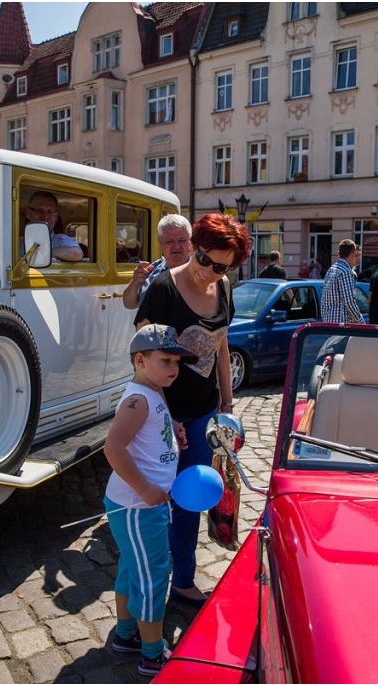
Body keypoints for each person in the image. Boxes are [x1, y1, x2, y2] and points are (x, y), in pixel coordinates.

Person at [134, 213, 251, 607]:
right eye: (205, 260)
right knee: (155, 503)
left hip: (202, 412)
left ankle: (182, 580)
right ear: (194, 247)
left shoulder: (225, 287)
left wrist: (227, 403)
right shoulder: (163, 290)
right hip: (160, 415)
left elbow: (220, 342)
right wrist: (166, 418)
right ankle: (146, 585)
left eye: (222, 267)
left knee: (189, 500)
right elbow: (142, 359)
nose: (209, 272)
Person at [105, 324, 197, 676]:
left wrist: (170, 425)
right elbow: (112, 447)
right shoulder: (137, 399)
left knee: (132, 569)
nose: (174, 367)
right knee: (153, 576)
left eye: (177, 361)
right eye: (166, 360)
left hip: (144, 504)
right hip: (138, 506)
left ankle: (127, 635)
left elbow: (150, 423)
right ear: (140, 360)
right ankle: (152, 654)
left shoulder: (153, 390)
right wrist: (144, 489)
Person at [123, 214, 194, 310]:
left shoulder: (200, 271)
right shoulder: (154, 268)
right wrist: (135, 283)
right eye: (170, 241)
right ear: (160, 242)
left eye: (182, 240)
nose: (176, 246)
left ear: (190, 242)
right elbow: (129, 304)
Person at [25, 190, 84, 262]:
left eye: (50, 212)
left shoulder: (60, 241)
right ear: (28, 213)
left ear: (56, 217)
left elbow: (77, 253)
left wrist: (42, 254)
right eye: (39, 210)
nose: (45, 216)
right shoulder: (15, 243)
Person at [320, 240, 364, 324]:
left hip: (328, 320)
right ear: (353, 253)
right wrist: (361, 322)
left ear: (339, 253)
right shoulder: (345, 271)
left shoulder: (332, 269)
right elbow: (349, 302)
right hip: (340, 322)